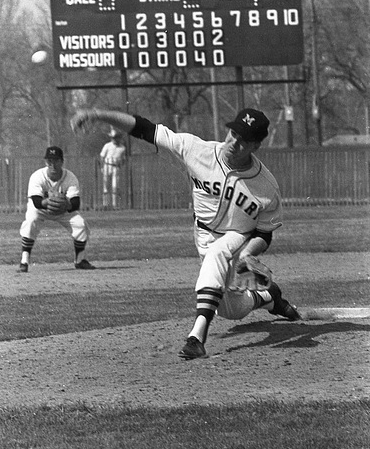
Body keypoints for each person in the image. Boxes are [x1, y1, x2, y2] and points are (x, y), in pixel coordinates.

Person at [71, 108, 300, 359]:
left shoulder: (266, 186)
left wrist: (247, 253)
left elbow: (264, 234)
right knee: (231, 309)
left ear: (255, 145)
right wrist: (98, 114)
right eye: (233, 133)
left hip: (238, 238)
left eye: (243, 139)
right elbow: (145, 128)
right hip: (202, 234)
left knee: (218, 251)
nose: (233, 142)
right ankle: (269, 297)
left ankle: (196, 337)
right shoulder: (197, 149)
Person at [19, 145, 95, 272]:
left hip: (63, 210)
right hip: (41, 209)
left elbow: (75, 203)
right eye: (50, 161)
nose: (53, 164)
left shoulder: (70, 177)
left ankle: (80, 260)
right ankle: (24, 261)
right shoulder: (37, 176)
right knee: (31, 221)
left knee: (80, 224)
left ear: (62, 162)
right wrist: (48, 202)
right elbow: (37, 202)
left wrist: (66, 205)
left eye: (56, 161)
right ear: (46, 162)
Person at [99, 127, 126, 209]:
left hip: (116, 167)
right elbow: (102, 157)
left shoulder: (122, 148)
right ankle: (105, 204)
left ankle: (115, 205)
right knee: (106, 186)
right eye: (113, 138)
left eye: (115, 137)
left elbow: (123, 159)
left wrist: (120, 165)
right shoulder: (107, 145)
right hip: (107, 165)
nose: (114, 139)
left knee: (115, 186)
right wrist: (102, 167)